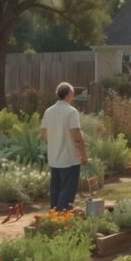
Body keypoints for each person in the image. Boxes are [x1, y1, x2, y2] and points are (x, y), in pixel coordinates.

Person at [41, 82, 88, 211]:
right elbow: (77, 137)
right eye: (72, 94)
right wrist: (83, 156)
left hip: (54, 159)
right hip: (69, 160)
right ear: (68, 94)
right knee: (67, 194)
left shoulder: (48, 111)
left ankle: (53, 218)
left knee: (55, 192)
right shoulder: (71, 112)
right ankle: (62, 221)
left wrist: (56, 140)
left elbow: (44, 134)